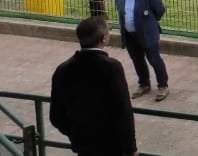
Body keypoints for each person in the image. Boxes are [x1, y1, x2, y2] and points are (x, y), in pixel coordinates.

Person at [49, 15, 138, 156]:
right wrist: (131, 149)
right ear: (103, 38)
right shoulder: (112, 67)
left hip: (83, 147)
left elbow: (56, 116)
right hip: (113, 147)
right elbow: (123, 112)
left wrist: (77, 134)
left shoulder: (63, 69)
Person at [114, 0, 168, 101]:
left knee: (154, 60)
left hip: (147, 34)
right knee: (137, 60)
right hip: (130, 35)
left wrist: (149, 24)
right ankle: (143, 84)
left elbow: (159, 11)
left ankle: (162, 86)